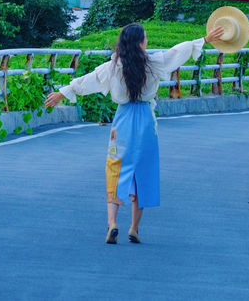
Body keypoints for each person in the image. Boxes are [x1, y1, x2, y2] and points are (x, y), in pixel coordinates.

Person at [44, 21, 225, 244]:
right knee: (143, 171)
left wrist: (63, 93)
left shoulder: (112, 67)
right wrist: (204, 40)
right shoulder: (154, 63)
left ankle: (112, 224)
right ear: (141, 43)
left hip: (123, 120)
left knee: (115, 168)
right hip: (146, 122)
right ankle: (134, 228)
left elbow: (88, 81)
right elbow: (177, 52)